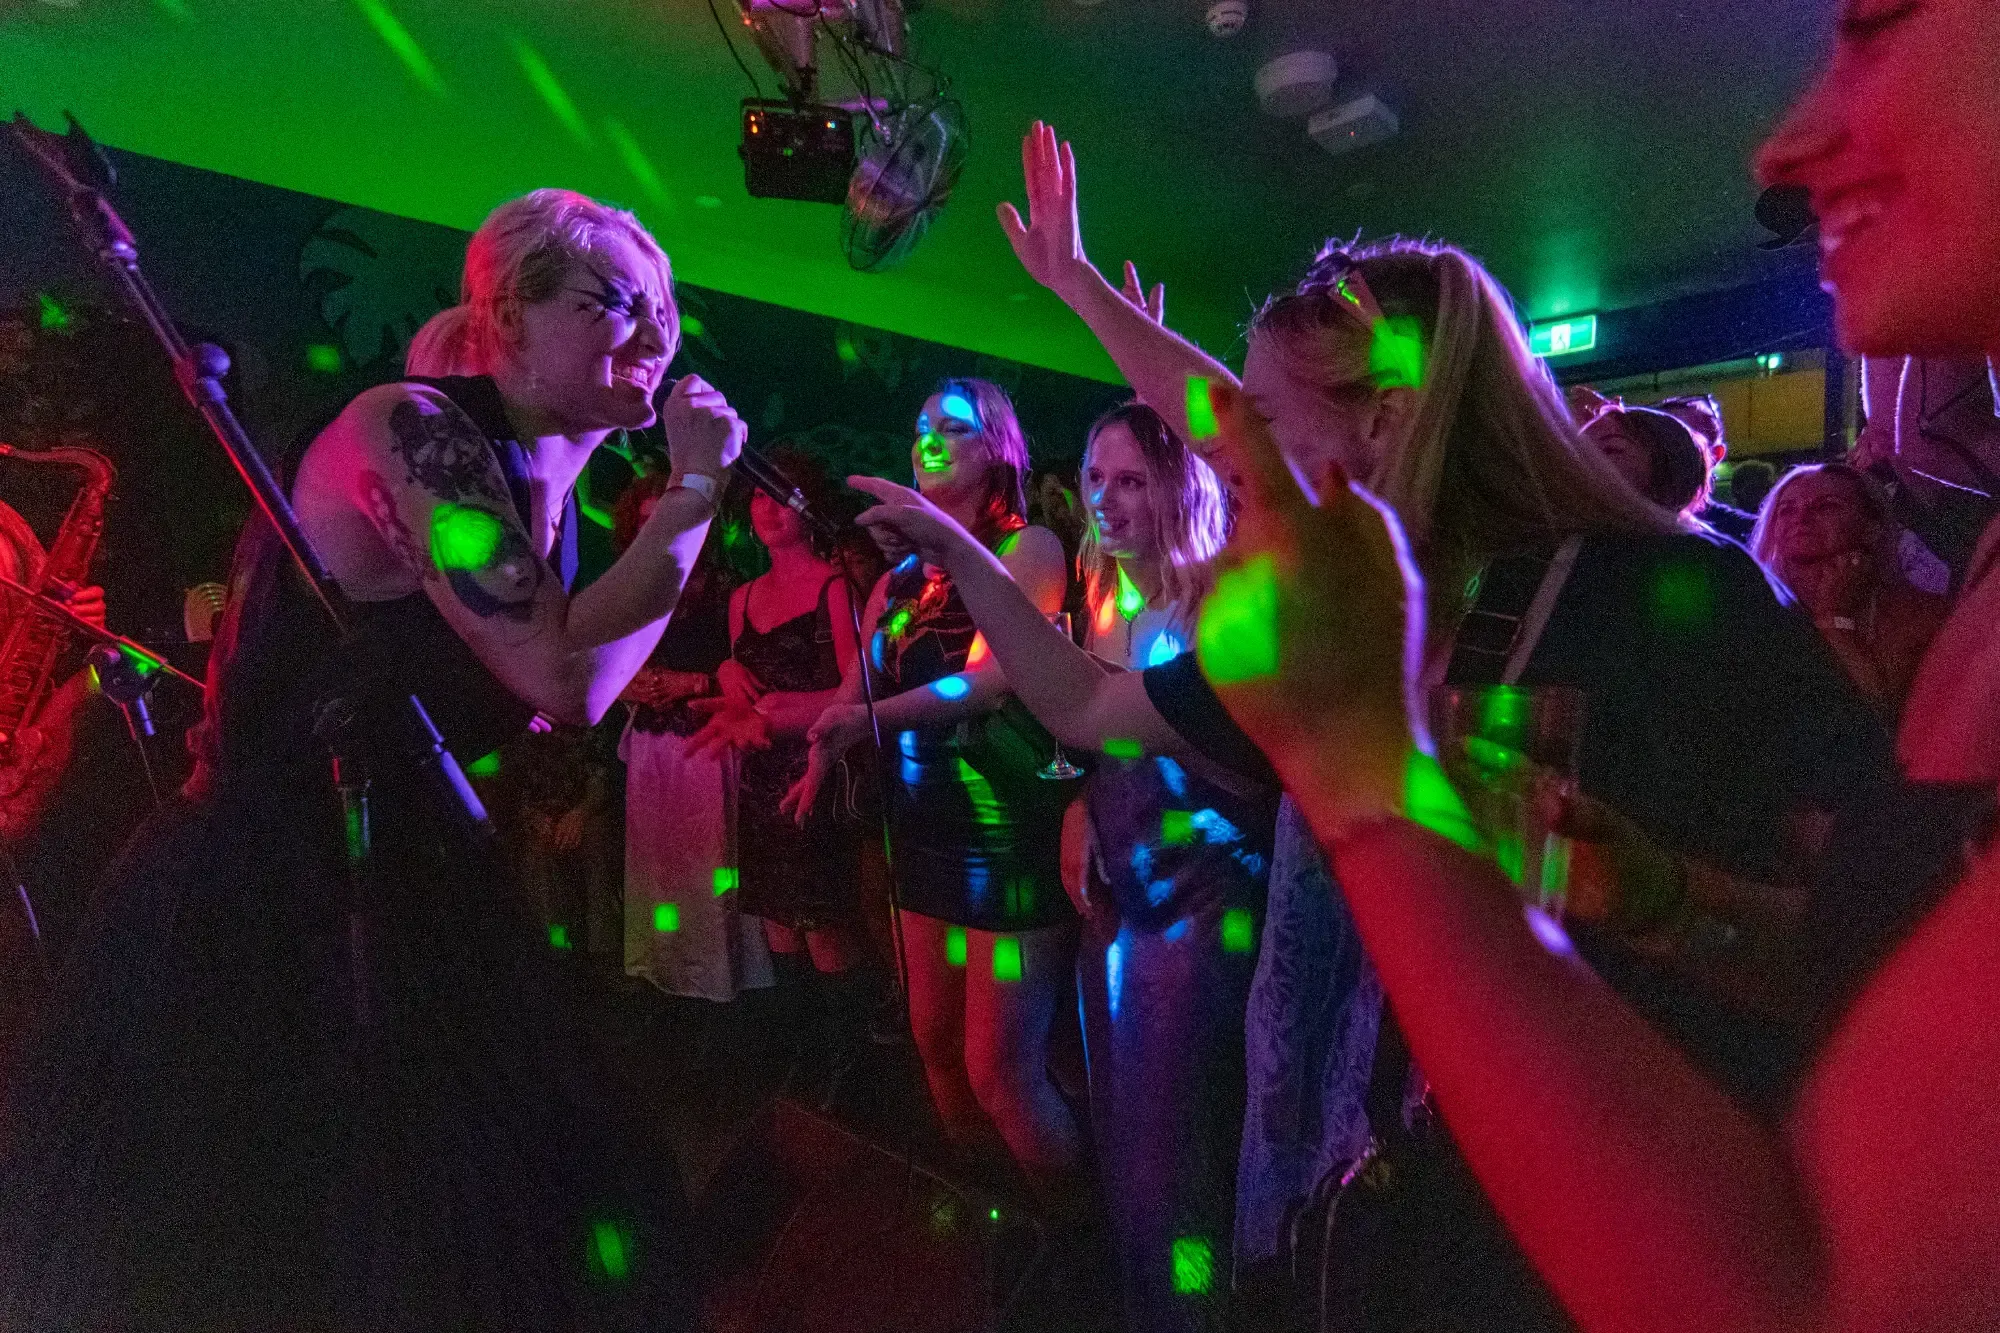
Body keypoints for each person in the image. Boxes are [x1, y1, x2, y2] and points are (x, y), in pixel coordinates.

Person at [1183, 1, 2000, 1327]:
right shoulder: (1982, 582)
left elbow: (1822, 1278)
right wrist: (1658, 892)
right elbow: (1865, 969)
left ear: (1389, 418)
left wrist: (1361, 772)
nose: (1779, 147)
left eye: (1875, 22)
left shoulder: (1678, 593)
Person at [996, 119, 1899, 1316]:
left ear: (1384, 421)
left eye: (1260, 421)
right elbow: (1093, 694)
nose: (1222, 450)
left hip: (1631, 1240)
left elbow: (1873, 959)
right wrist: (1074, 290)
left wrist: (1663, 899)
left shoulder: (1668, 599)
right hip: (1404, 1204)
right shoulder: (1354, 632)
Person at [0, 188, 744, 1329]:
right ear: (507, 314)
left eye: (662, 312)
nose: (654, 336)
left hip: (407, 875)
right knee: (264, 1218)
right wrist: (690, 490)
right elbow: (556, 669)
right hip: (264, 890)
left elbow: (581, 686)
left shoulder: (553, 489)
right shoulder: (413, 430)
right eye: (615, 304)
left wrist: (680, 504)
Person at [788, 379, 1084, 1197]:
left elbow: (988, 685)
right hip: (919, 828)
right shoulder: (900, 579)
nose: (928, 440)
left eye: (953, 427)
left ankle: (1069, 1243)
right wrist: (815, 744)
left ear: (997, 448)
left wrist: (866, 723)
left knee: (1001, 1071)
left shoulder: (1029, 550)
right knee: (934, 1045)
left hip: (1001, 827)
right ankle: (988, 1221)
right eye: (919, 427)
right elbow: (850, 691)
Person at [689, 447, 869, 1100]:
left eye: (780, 493)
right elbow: (743, 698)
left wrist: (786, 711)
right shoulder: (740, 599)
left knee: (823, 922)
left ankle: (848, 1071)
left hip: (814, 772)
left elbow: (857, 694)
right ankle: (806, 1058)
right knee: (776, 922)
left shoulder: (834, 587)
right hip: (759, 773)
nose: (765, 506)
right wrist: (725, 676)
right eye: (758, 495)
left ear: (807, 504)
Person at [615, 475, 773, 1003]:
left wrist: (694, 682)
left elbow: (751, 670)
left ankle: (718, 985)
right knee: (658, 872)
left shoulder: (726, 586)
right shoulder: (626, 587)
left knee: (710, 871)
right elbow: (599, 666)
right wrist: (624, 686)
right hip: (650, 746)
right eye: (645, 519)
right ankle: (663, 977)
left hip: (706, 741)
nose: (656, 528)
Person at [1751, 463, 1949, 717]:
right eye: (1786, 510)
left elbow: (1880, 717)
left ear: (1872, 528)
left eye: (1827, 506)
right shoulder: (1753, 610)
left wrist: (1834, 619)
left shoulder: (1920, 616)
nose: (1801, 518)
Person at [1581, 404, 1712, 518]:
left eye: (1609, 449)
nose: (1580, 460)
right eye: (1580, 449)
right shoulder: (1572, 541)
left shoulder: (1691, 546)